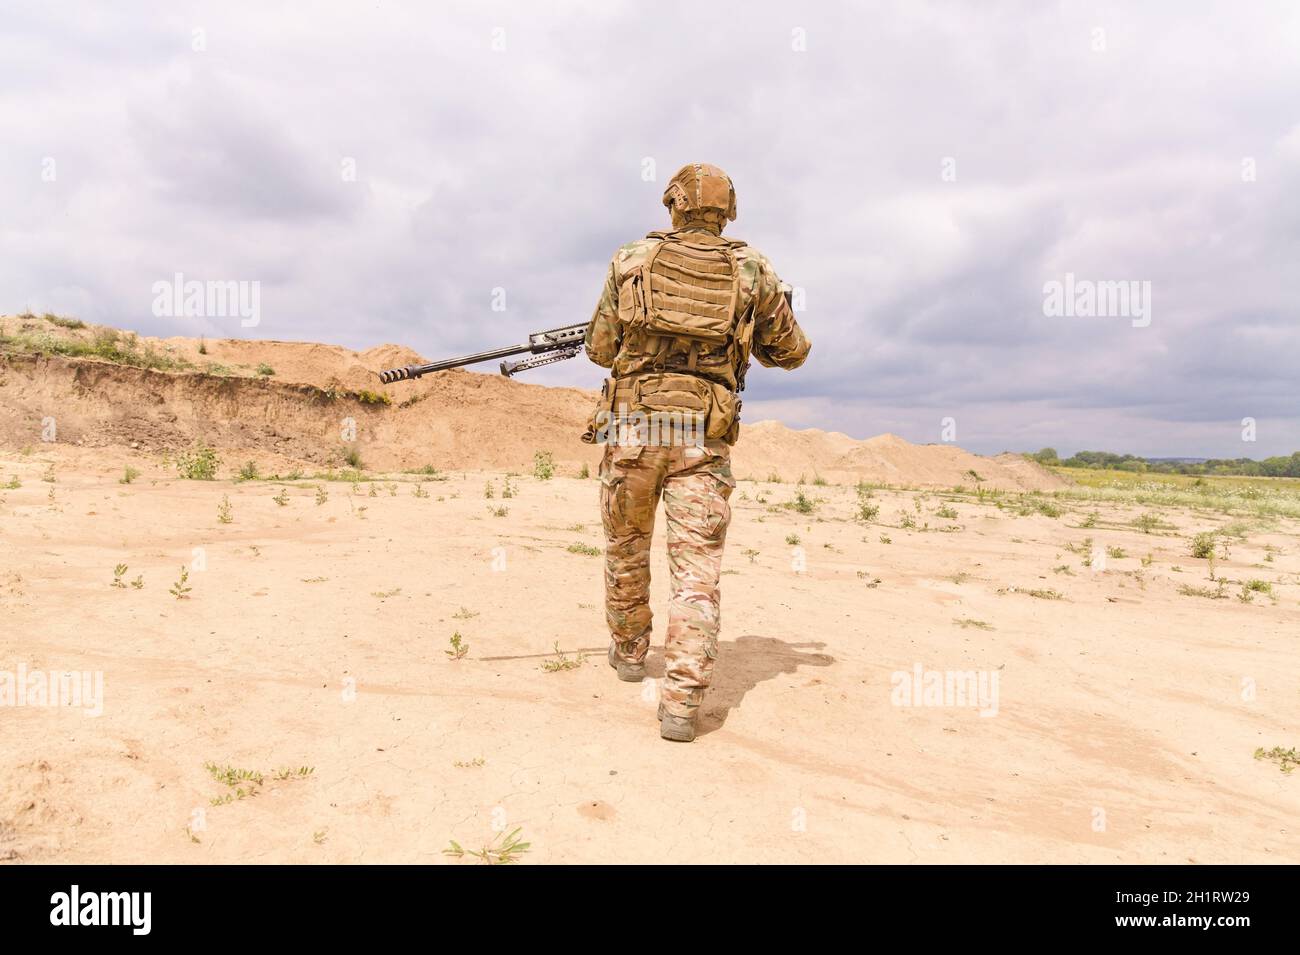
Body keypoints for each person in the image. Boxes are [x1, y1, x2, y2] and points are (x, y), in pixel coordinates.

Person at [582, 162, 811, 741]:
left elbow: (599, 347)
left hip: (634, 431)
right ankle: (682, 702)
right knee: (696, 574)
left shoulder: (631, 258)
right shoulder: (752, 268)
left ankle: (630, 654)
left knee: (627, 547)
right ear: (727, 209)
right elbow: (790, 352)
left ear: (674, 204)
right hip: (701, 439)